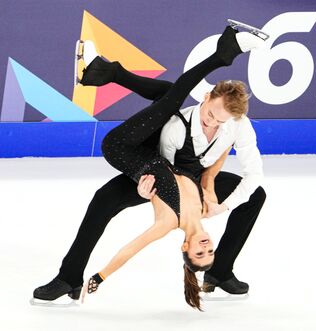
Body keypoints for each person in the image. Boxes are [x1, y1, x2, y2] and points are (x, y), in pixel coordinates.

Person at [33, 23, 267, 309]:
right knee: (105, 198)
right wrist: (150, 192)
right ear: (205, 98)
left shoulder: (238, 125)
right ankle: (69, 277)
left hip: (191, 178)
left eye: (221, 121)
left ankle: (219, 271)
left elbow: (239, 164)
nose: (212, 123)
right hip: (160, 167)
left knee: (254, 195)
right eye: (209, 115)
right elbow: (163, 166)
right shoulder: (176, 128)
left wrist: (213, 191)